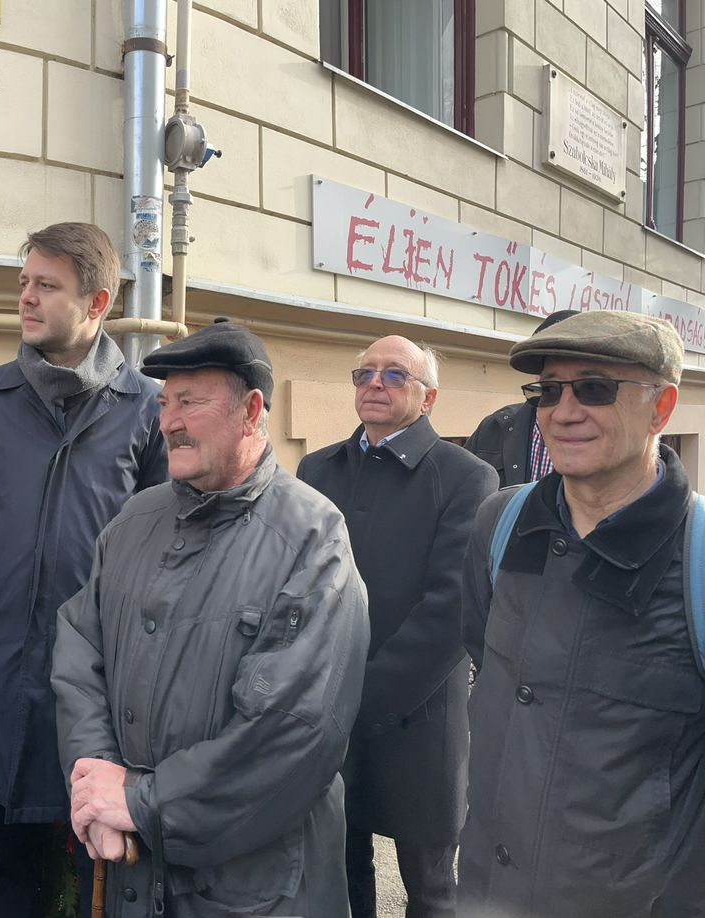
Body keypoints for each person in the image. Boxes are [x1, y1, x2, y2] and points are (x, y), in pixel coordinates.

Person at [51, 319, 368, 917]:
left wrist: (144, 803)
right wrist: (96, 781)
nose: (168, 420)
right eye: (165, 403)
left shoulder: (313, 538)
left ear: (251, 411)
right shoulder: (134, 521)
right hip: (133, 876)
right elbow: (78, 652)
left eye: (189, 402)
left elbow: (294, 731)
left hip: (252, 890)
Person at [0, 222, 167, 916]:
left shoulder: (148, 407)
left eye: (47, 286)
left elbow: (160, 539)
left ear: (97, 303)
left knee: (96, 870)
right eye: (24, 284)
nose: (27, 298)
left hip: (96, 681)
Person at [458, 311, 705, 917]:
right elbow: (485, 663)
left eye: (594, 388)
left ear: (662, 407)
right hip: (489, 894)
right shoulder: (500, 524)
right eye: (547, 391)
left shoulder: (696, 555)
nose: (562, 412)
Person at [297, 335, 496, 918]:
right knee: (338, 862)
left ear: (428, 398)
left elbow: (451, 609)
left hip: (420, 716)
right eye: (364, 374)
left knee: (431, 887)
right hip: (326, 708)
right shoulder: (319, 467)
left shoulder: (466, 477)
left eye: (394, 375)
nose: (374, 384)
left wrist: (364, 696)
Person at [467, 309, 579, 487]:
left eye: (589, 387)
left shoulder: (607, 431)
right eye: (552, 385)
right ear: (536, 374)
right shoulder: (495, 427)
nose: (563, 415)